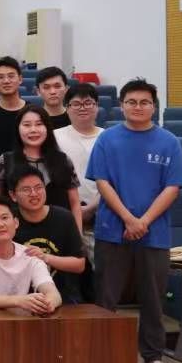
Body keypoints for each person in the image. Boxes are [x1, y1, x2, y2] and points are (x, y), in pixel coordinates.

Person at [88, 78, 182, 363]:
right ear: (122, 105)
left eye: (144, 102)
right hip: (112, 230)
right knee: (106, 299)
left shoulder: (168, 141)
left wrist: (142, 221)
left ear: (153, 106)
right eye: (131, 102)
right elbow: (102, 182)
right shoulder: (107, 139)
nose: (138, 107)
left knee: (153, 300)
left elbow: (172, 187)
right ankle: (101, 360)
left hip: (153, 232)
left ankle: (152, 361)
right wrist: (128, 219)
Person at [0, 106, 83, 231]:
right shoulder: (6, 160)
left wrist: (77, 235)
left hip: (59, 231)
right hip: (18, 233)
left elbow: (75, 203)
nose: (33, 130)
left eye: (39, 124)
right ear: (18, 129)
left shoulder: (63, 160)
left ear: (47, 128)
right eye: (27, 125)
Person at [7, 168, 86, 305]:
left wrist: (45, 257)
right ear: (13, 195)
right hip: (20, 299)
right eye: (26, 189)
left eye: (39, 187)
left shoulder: (64, 218)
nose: (34, 194)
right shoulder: (7, 221)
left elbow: (79, 265)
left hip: (63, 297)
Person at [54, 83, 103, 262]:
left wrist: (91, 208)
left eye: (88, 103)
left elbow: (115, 180)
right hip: (64, 215)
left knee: (101, 271)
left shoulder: (108, 138)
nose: (82, 108)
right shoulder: (54, 137)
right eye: (76, 104)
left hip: (102, 215)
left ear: (97, 106)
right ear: (67, 108)